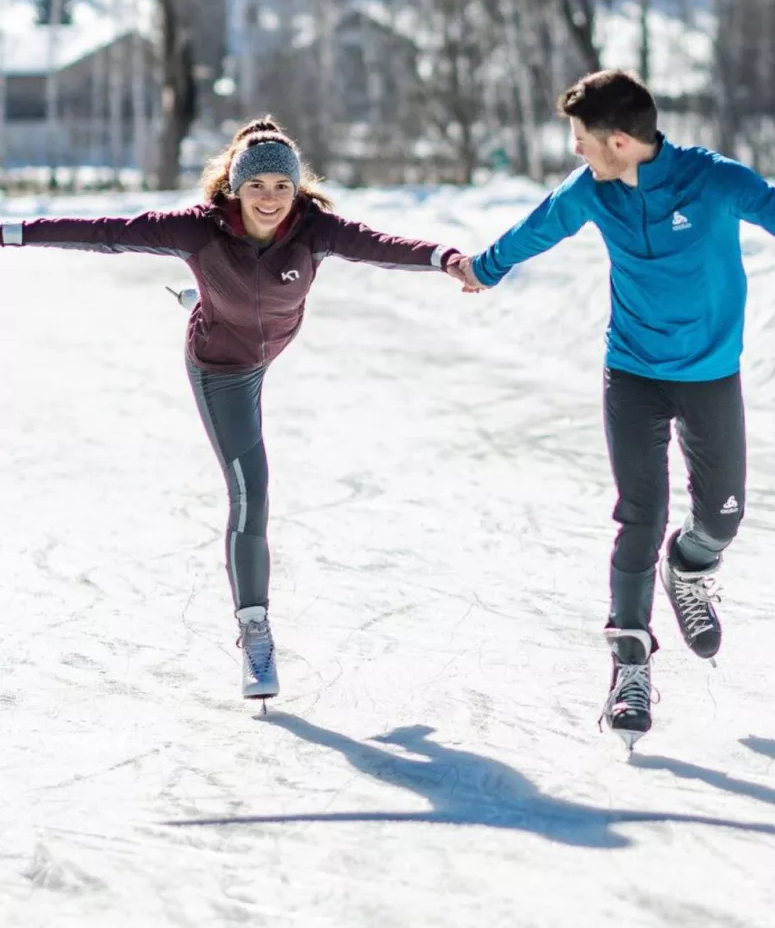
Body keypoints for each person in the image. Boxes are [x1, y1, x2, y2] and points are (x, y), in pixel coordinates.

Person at [449, 70, 775, 746]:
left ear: (618, 140)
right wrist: (482, 267)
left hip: (709, 375)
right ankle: (630, 667)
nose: (576, 151)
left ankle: (691, 567)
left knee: (723, 514)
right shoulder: (592, 191)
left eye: (582, 138)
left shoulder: (715, 180)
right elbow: (535, 230)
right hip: (632, 372)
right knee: (639, 516)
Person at [1, 118, 469, 706]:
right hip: (221, 365)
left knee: (228, 306)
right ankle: (255, 631)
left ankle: (200, 297)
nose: (270, 198)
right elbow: (103, 230)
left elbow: (380, 246)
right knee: (252, 490)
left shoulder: (313, 229)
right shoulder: (197, 232)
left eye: (281, 185)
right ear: (234, 187)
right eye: (257, 186)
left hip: (274, 337)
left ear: (296, 188)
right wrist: (10, 231)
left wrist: (444, 257)